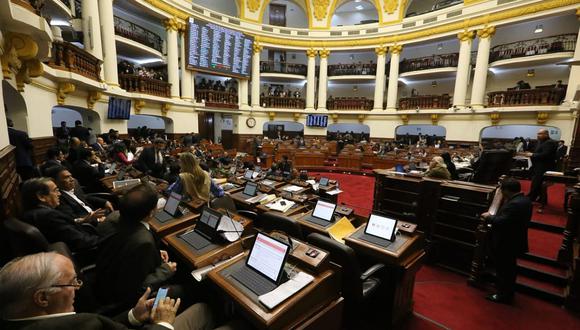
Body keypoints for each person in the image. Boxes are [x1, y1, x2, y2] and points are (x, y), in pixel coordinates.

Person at [0, 252, 217, 330]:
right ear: (43, 298)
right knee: (206, 310)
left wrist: (133, 316)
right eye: (72, 283)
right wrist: (163, 322)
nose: (77, 289)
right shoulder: (79, 324)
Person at [96, 184, 179, 310]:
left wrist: (155, 252)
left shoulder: (113, 216)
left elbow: (123, 245)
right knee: (185, 289)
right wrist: (165, 270)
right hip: (122, 299)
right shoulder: (143, 242)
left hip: (104, 276)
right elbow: (135, 289)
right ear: (151, 213)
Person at [481, 178, 532, 304]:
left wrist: (489, 217)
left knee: (504, 270)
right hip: (513, 239)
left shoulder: (515, 204)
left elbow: (503, 222)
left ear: (507, 190)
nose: (501, 193)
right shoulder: (525, 200)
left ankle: (503, 295)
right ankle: (505, 291)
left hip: (507, 242)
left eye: (502, 190)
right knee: (508, 269)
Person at [20, 177, 101, 252]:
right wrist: (105, 238)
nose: (59, 194)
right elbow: (80, 242)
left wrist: (81, 220)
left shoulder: (33, 213)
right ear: (41, 196)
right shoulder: (49, 216)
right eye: (55, 190)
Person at [46, 166, 113, 222]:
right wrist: (96, 220)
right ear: (55, 181)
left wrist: (104, 202)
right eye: (66, 177)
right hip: (90, 225)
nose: (72, 179)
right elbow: (73, 219)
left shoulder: (74, 184)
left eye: (70, 176)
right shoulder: (58, 198)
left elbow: (84, 197)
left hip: (94, 213)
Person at [525, 129, 557, 203]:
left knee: (537, 183)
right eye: (538, 133)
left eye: (540, 134)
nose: (538, 135)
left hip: (544, 167)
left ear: (546, 134)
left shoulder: (550, 142)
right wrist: (532, 153)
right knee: (538, 183)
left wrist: (532, 154)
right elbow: (539, 152)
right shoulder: (541, 142)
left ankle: (532, 198)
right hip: (538, 166)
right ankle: (541, 199)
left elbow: (546, 154)